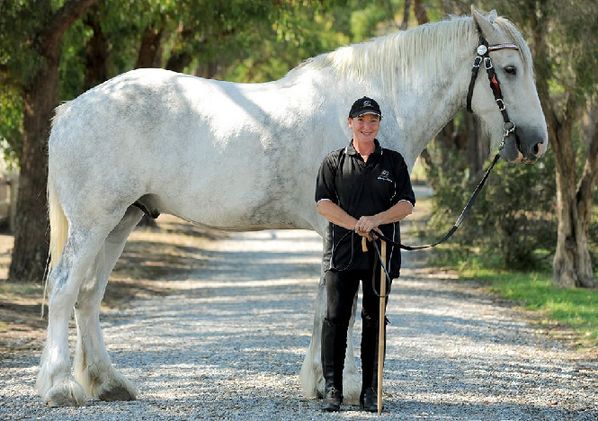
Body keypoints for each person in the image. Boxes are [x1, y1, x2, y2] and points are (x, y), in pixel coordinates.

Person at [314, 96, 415, 412]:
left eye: (373, 121)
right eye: (361, 120)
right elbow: (323, 203)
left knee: (375, 321)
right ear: (350, 123)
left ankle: (372, 390)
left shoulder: (393, 162)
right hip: (341, 254)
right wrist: (356, 224)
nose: (367, 126)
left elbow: (407, 204)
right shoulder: (333, 162)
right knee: (335, 319)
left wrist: (376, 220)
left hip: (381, 255)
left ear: (379, 124)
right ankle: (333, 389)